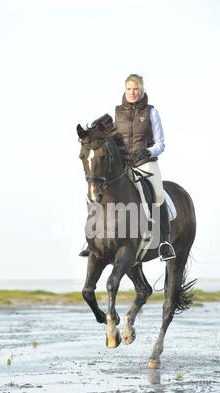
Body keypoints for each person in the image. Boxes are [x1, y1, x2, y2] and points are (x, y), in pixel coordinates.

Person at [79, 73, 176, 261]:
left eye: (136, 89)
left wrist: (148, 152)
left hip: (146, 163)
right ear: (125, 90)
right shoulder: (116, 113)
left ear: (142, 90)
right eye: (129, 89)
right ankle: (92, 239)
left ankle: (164, 242)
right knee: (95, 193)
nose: (132, 93)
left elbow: (161, 143)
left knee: (157, 194)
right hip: (123, 165)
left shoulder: (151, 112)